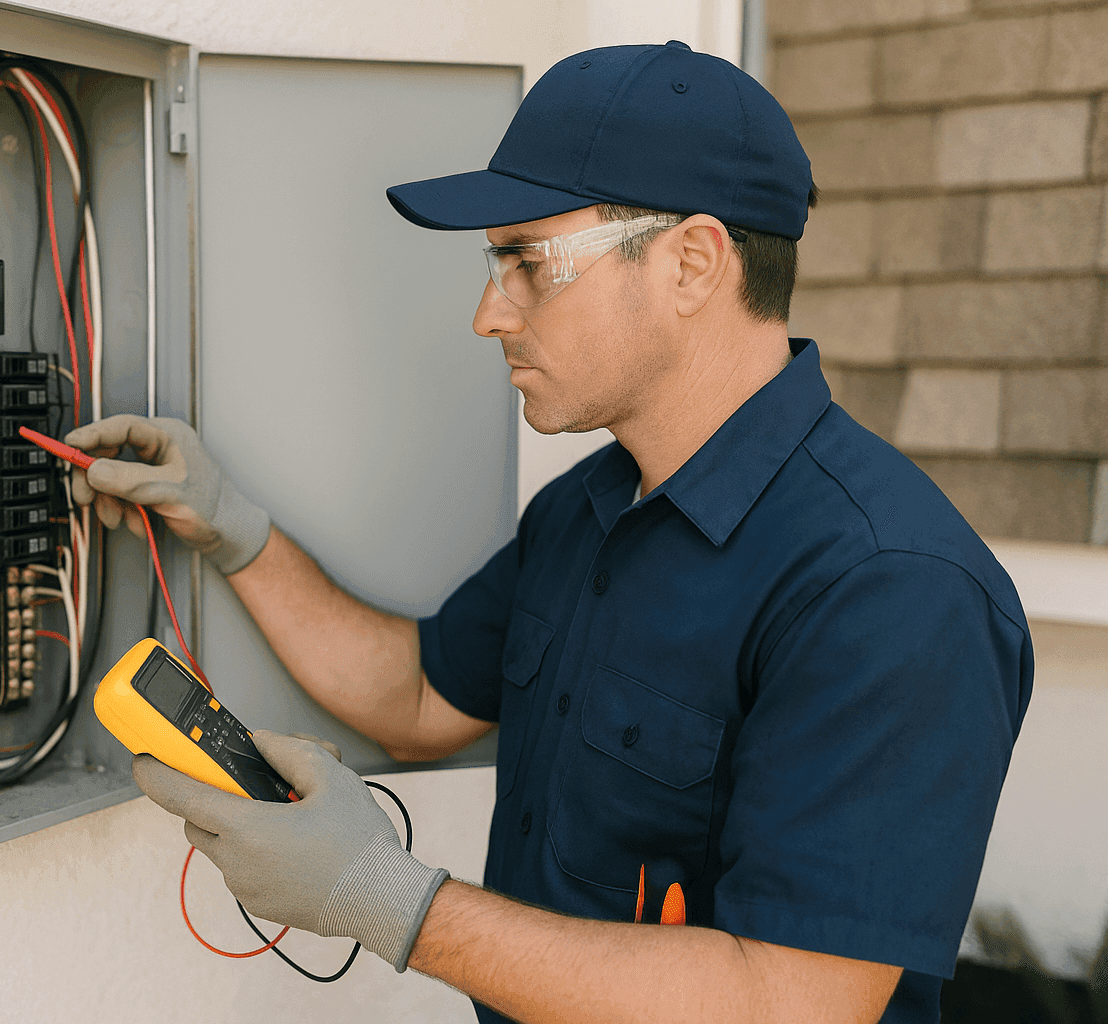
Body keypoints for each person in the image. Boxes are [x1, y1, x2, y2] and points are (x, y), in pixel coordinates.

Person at [64, 41, 1033, 1024]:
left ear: (691, 262)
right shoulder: (590, 509)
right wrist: (232, 527)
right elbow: (416, 692)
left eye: (529, 262)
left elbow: (792, 1002)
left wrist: (392, 900)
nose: (490, 313)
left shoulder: (889, 587)